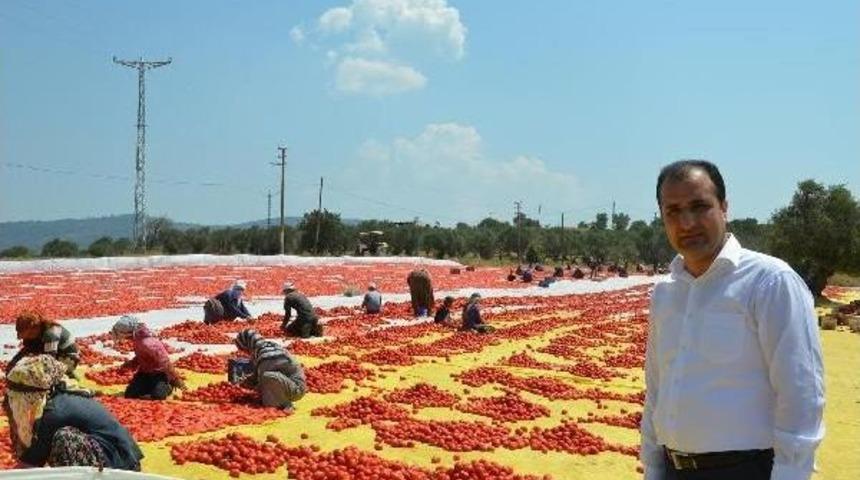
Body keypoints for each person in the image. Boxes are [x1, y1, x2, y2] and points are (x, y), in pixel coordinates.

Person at [640, 160, 825, 480]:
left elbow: (801, 393)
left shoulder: (769, 281)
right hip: (674, 469)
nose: (687, 222)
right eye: (673, 211)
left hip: (745, 470)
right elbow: (657, 389)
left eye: (700, 206)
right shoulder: (665, 293)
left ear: (724, 207)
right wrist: (654, 468)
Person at [3, 354, 143, 470]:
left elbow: (31, 463)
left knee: (65, 438)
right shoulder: (61, 395)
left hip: (120, 467)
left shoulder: (54, 412)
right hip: (122, 457)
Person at [111, 316, 186, 400]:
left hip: (160, 373)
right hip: (145, 372)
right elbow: (142, 357)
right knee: (130, 394)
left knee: (158, 396)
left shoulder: (148, 343)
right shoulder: (137, 339)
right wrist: (130, 364)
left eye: (122, 335)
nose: (124, 338)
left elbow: (166, 363)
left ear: (127, 333)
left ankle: (168, 386)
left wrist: (176, 380)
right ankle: (152, 386)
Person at [234, 329, 306, 409]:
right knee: (267, 378)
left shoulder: (266, 355)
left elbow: (264, 379)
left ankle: (284, 404)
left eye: (244, 350)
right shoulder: (269, 346)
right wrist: (250, 380)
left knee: (267, 378)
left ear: (247, 346)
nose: (246, 353)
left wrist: (249, 388)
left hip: (296, 390)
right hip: (289, 384)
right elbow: (270, 369)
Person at [7, 312, 80, 376]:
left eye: (29, 334)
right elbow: (26, 350)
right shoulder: (35, 334)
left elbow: (50, 361)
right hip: (55, 355)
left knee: (35, 375)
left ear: (34, 328)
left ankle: (65, 375)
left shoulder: (50, 334)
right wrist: (12, 364)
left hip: (68, 359)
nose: (27, 337)